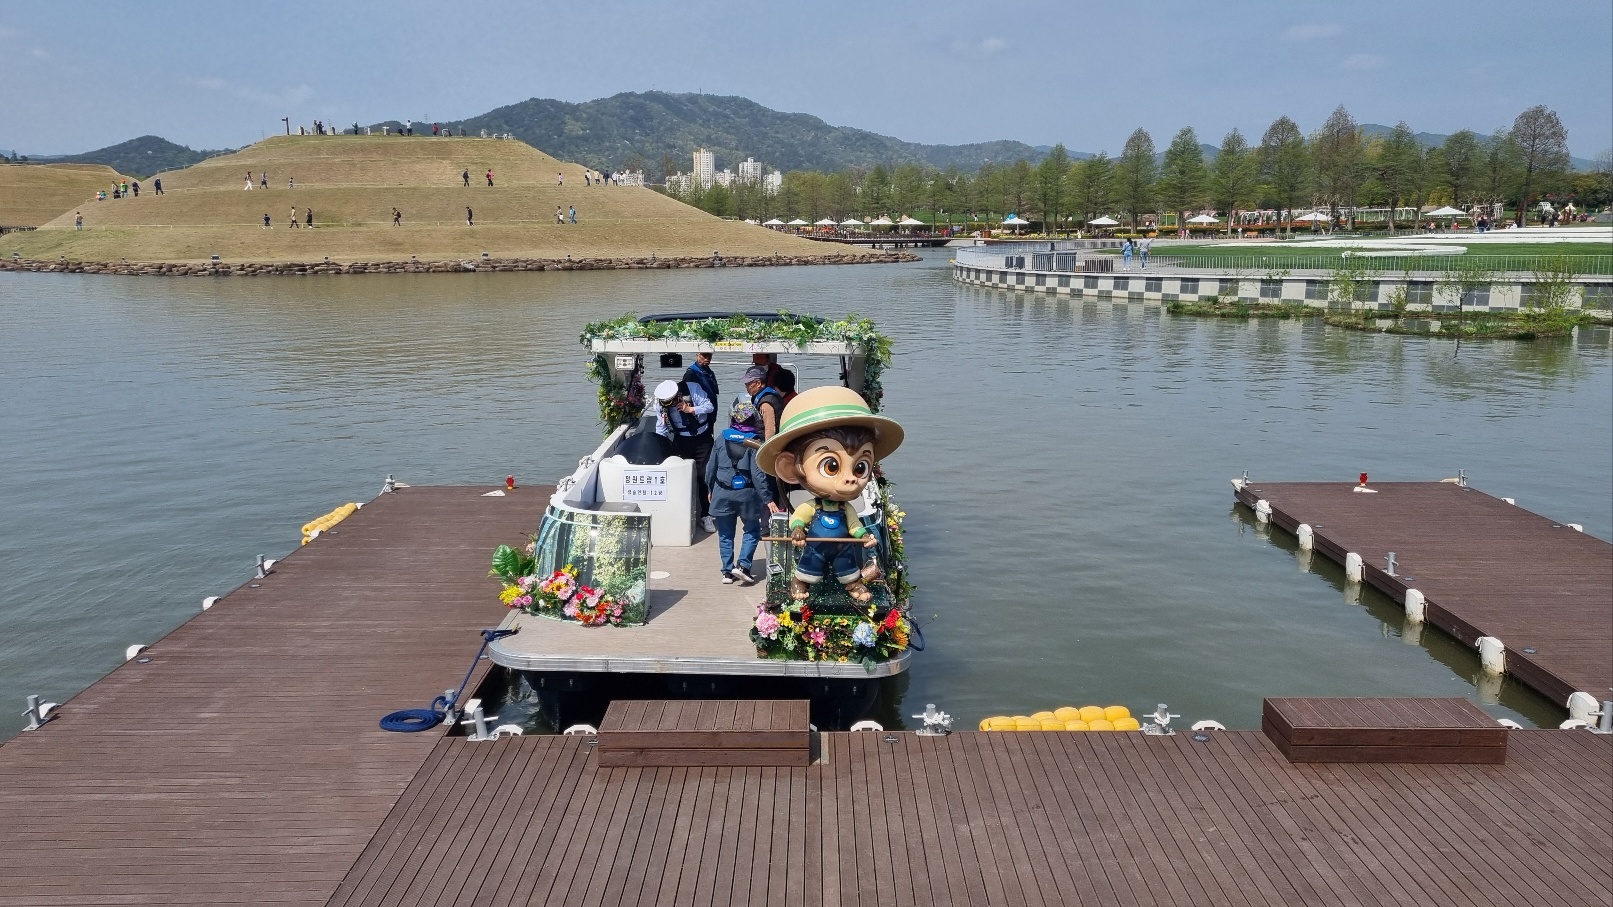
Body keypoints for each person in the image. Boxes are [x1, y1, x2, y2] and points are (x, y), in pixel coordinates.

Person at [705, 400, 780, 584]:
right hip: (747, 494)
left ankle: (727, 572)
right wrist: (768, 498)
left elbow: (710, 468)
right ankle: (743, 565)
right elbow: (758, 475)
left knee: (725, 534)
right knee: (752, 530)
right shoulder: (755, 442)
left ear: (733, 418)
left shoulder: (721, 438)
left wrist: (710, 488)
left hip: (722, 492)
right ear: (753, 419)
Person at [652, 378, 715, 526]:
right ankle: (681, 513)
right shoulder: (660, 405)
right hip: (681, 439)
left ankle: (706, 515)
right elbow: (661, 428)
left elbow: (709, 406)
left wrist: (691, 409)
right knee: (682, 476)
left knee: (703, 476)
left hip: (702, 437)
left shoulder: (693, 389)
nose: (671, 406)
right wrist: (660, 448)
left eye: (672, 402)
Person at [683, 350, 720, 529]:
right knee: (695, 474)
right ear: (697, 354)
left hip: (706, 426)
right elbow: (689, 402)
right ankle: (694, 511)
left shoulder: (708, 372)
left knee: (705, 473)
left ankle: (706, 513)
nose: (707, 359)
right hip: (691, 430)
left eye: (709, 356)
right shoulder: (691, 374)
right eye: (704, 356)